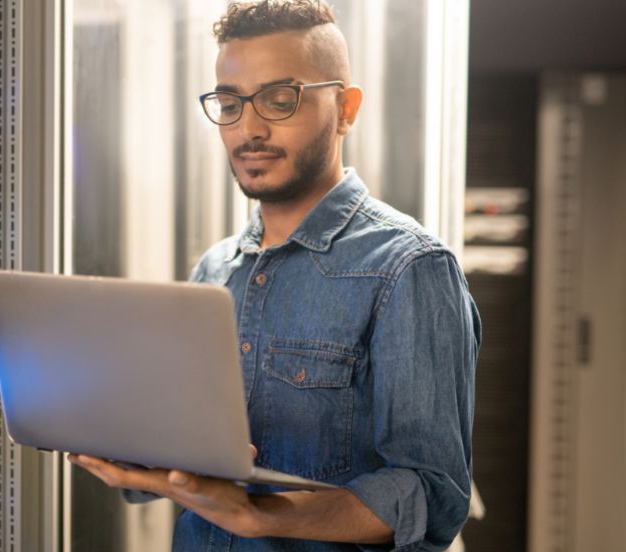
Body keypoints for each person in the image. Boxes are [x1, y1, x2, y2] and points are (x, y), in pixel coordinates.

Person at [67, 1, 481, 550]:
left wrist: (260, 517)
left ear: (347, 109)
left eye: (280, 100)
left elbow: (432, 497)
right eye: (230, 103)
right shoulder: (215, 270)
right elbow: (191, 456)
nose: (249, 129)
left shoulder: (408, 269)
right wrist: (128, 446)